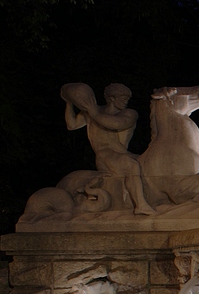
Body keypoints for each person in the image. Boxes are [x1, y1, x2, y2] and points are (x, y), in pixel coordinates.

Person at [63, 83, 158, 215]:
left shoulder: (129, 113)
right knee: (131, 165)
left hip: (123, 153)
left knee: (150, 164)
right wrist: (69, 102)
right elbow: (72, 125)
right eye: (122, 98)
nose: (126, 102)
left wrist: (92, 111)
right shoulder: (93, 111)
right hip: (105, 156)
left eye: (127, 99)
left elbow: (116, 123)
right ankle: (141, 205)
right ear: (111, 98)